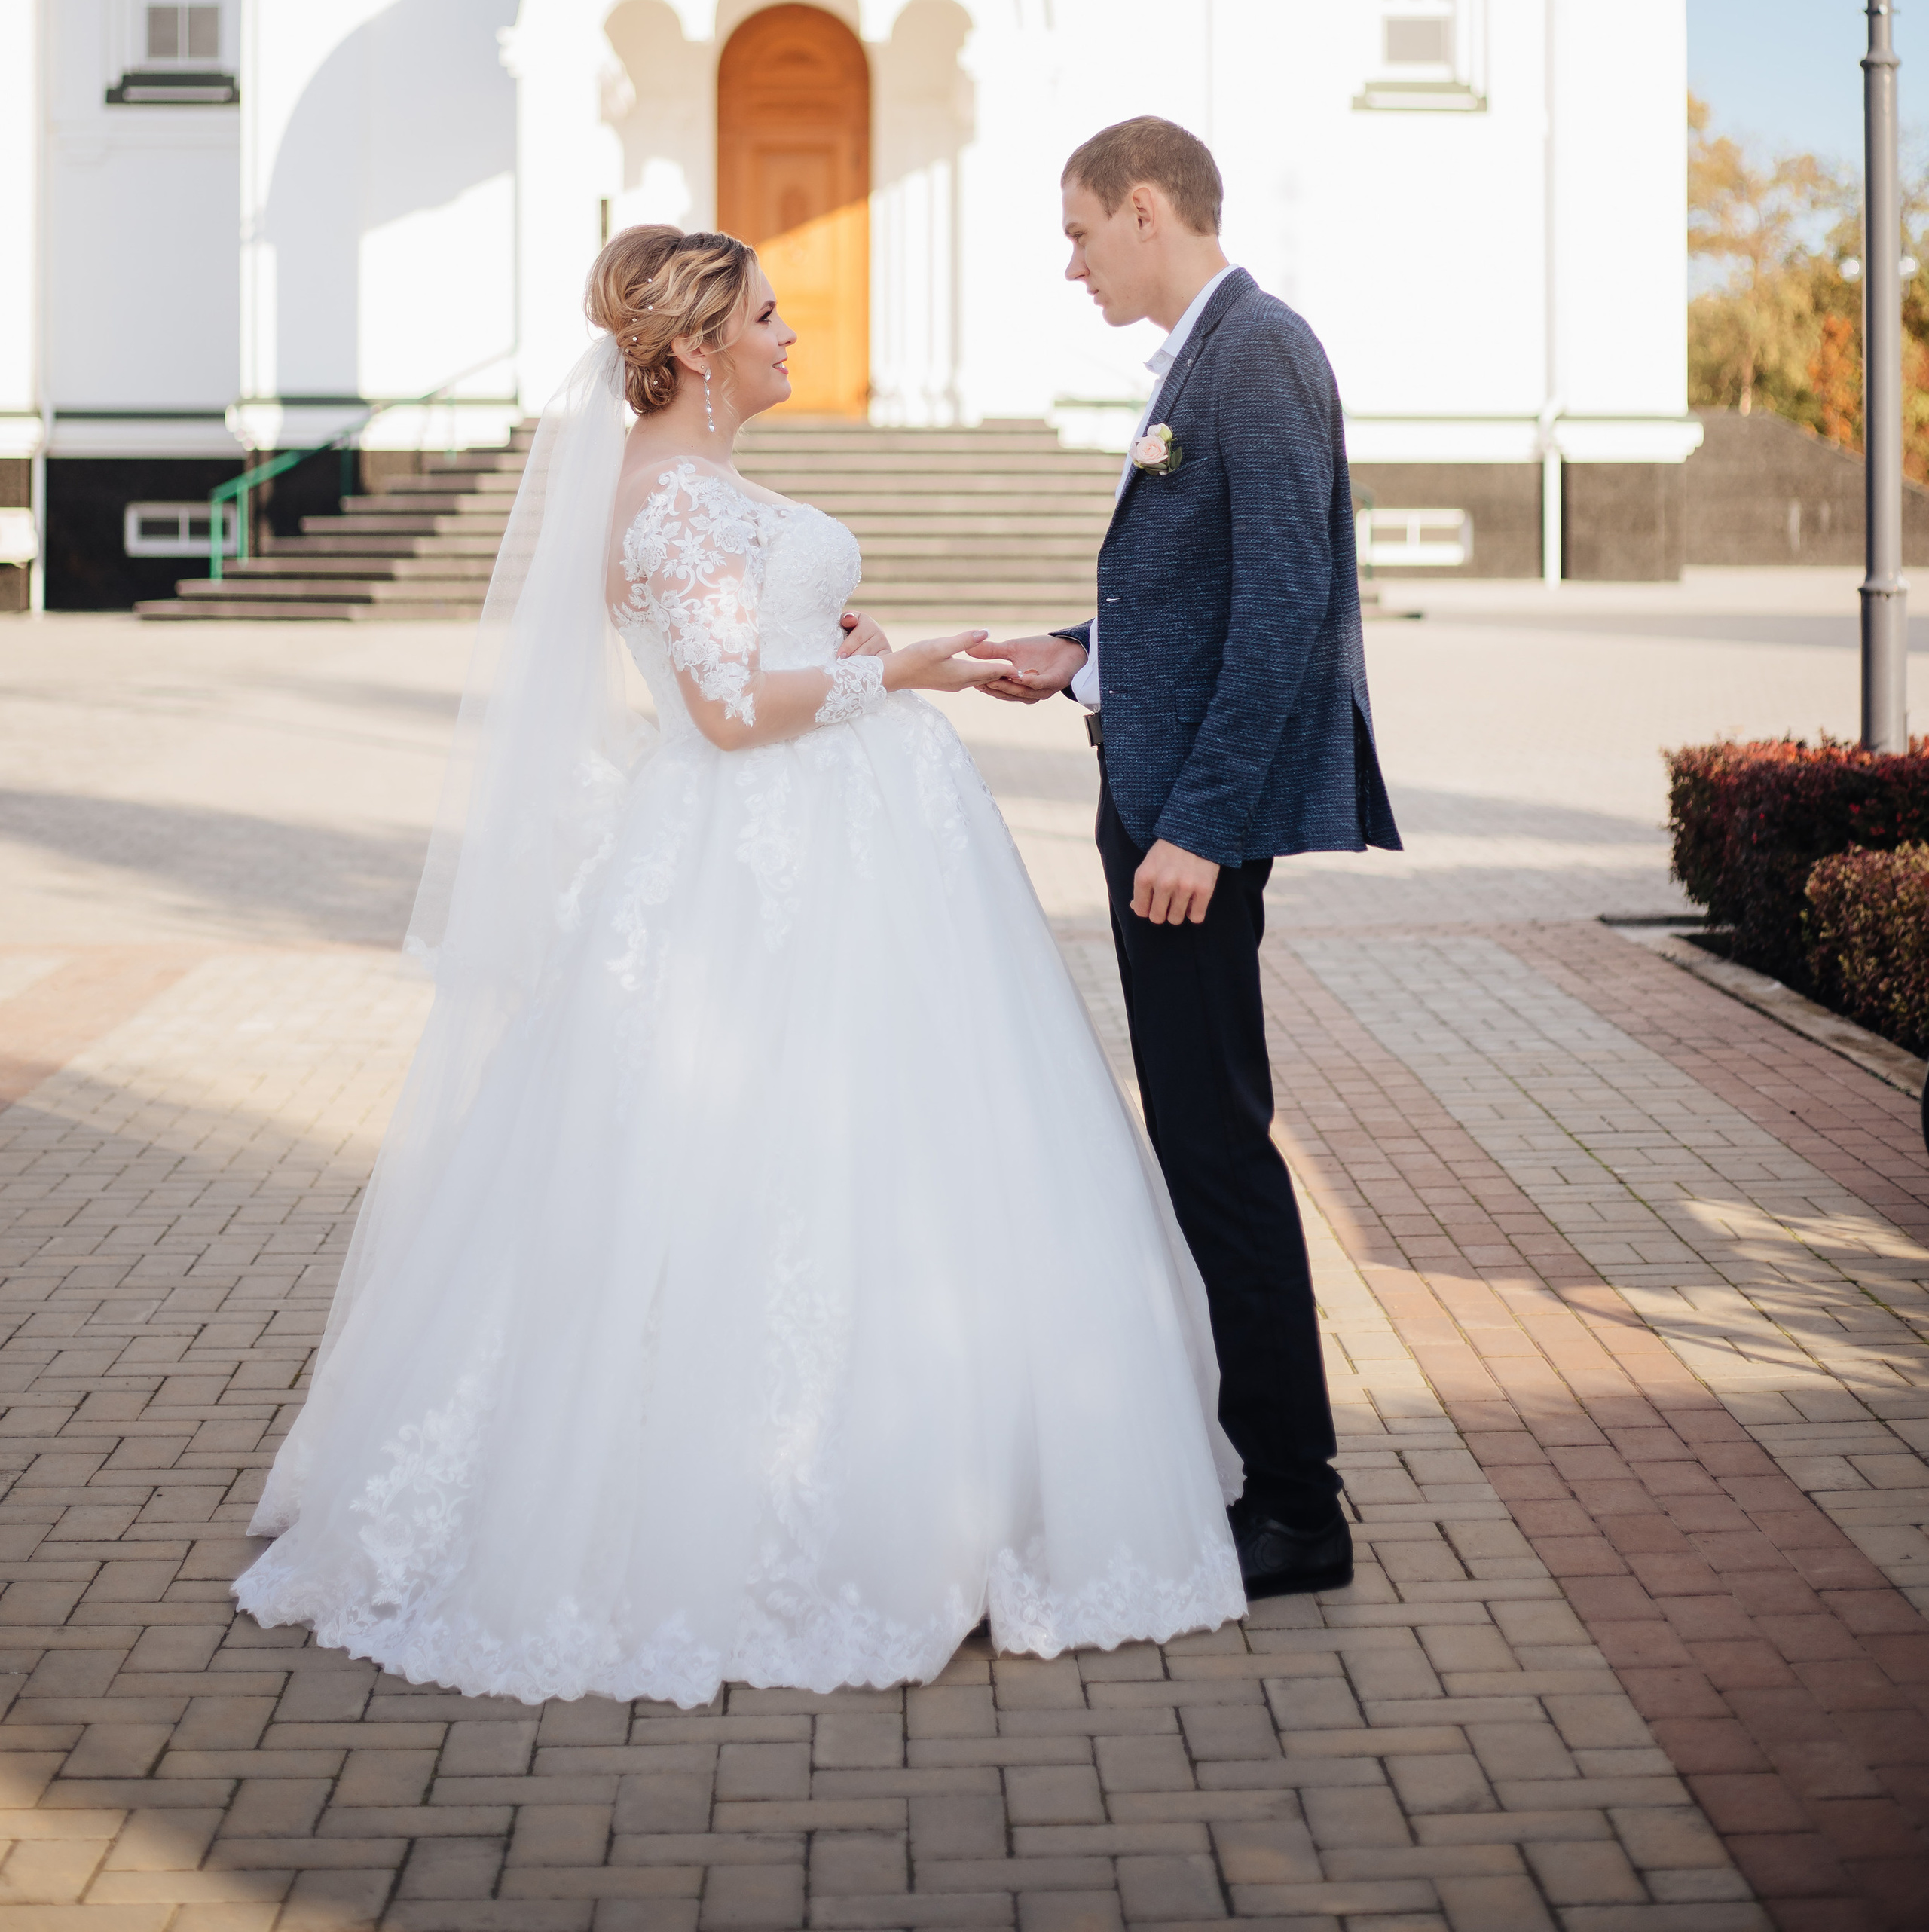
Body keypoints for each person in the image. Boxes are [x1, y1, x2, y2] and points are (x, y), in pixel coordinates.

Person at [232, 225, 1246, 1705]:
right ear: (698, 347)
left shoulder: (683, 489)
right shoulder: (666, 501)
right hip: (764, 865)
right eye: (768, 316)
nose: (792, 334)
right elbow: (721, 711)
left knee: (875, 1158)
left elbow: (753, 656)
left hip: (818, 845)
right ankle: (783, 1515)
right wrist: (888, 673)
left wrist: (869, 648)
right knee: (770, 1163)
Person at [980, 118, 1402, 1600]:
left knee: (1215, 1148)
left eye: (1079, 232)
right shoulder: (1207, 355)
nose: (1071, 262)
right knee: (1200, 1139)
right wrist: (1074, 657)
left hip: (1186, 834)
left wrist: (1201, 831)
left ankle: (1293, 1507)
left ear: (1143, 209)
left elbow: (1286, 611)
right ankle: (1260, 1469)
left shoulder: (1258, 353)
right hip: (1161, 804)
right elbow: (1204, 607)